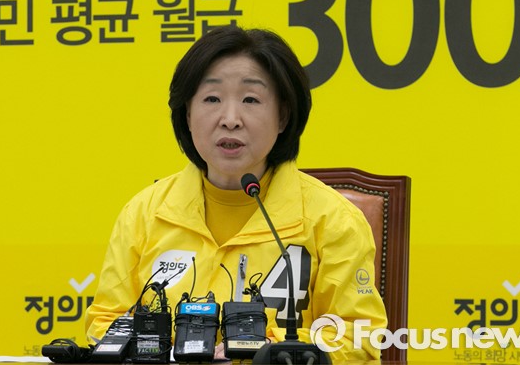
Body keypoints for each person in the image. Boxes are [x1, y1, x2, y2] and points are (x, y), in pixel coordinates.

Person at [84, 25, 387, 361]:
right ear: (188, 113)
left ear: (283, 116)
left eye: (250, 100)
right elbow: (106, 322)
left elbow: (359, 337)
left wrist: (266, 350)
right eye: (212, 99)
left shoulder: (333, 220)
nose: (230, 119)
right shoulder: (144, 213)